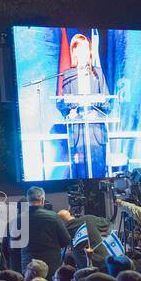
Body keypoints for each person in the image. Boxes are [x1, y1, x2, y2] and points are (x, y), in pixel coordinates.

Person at [58, 33, 112, 179]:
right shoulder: (68, 75)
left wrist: (96, 110)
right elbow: (63, 103)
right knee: (80, 175)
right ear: (74, 51)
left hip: (96, 133)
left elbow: (108, 103)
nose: (85, 52)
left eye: (87, 49)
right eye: (81, 49)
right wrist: (70, 112)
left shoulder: (98, 73)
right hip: (78, 133)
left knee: (99, 174)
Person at [21, 186, 72, 277]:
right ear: (43, 199)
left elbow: (15, 247)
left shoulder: (19, 219)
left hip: (28, 265)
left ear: (27, 200)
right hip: (51, 265)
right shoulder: (53, 217)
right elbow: (66, 240)